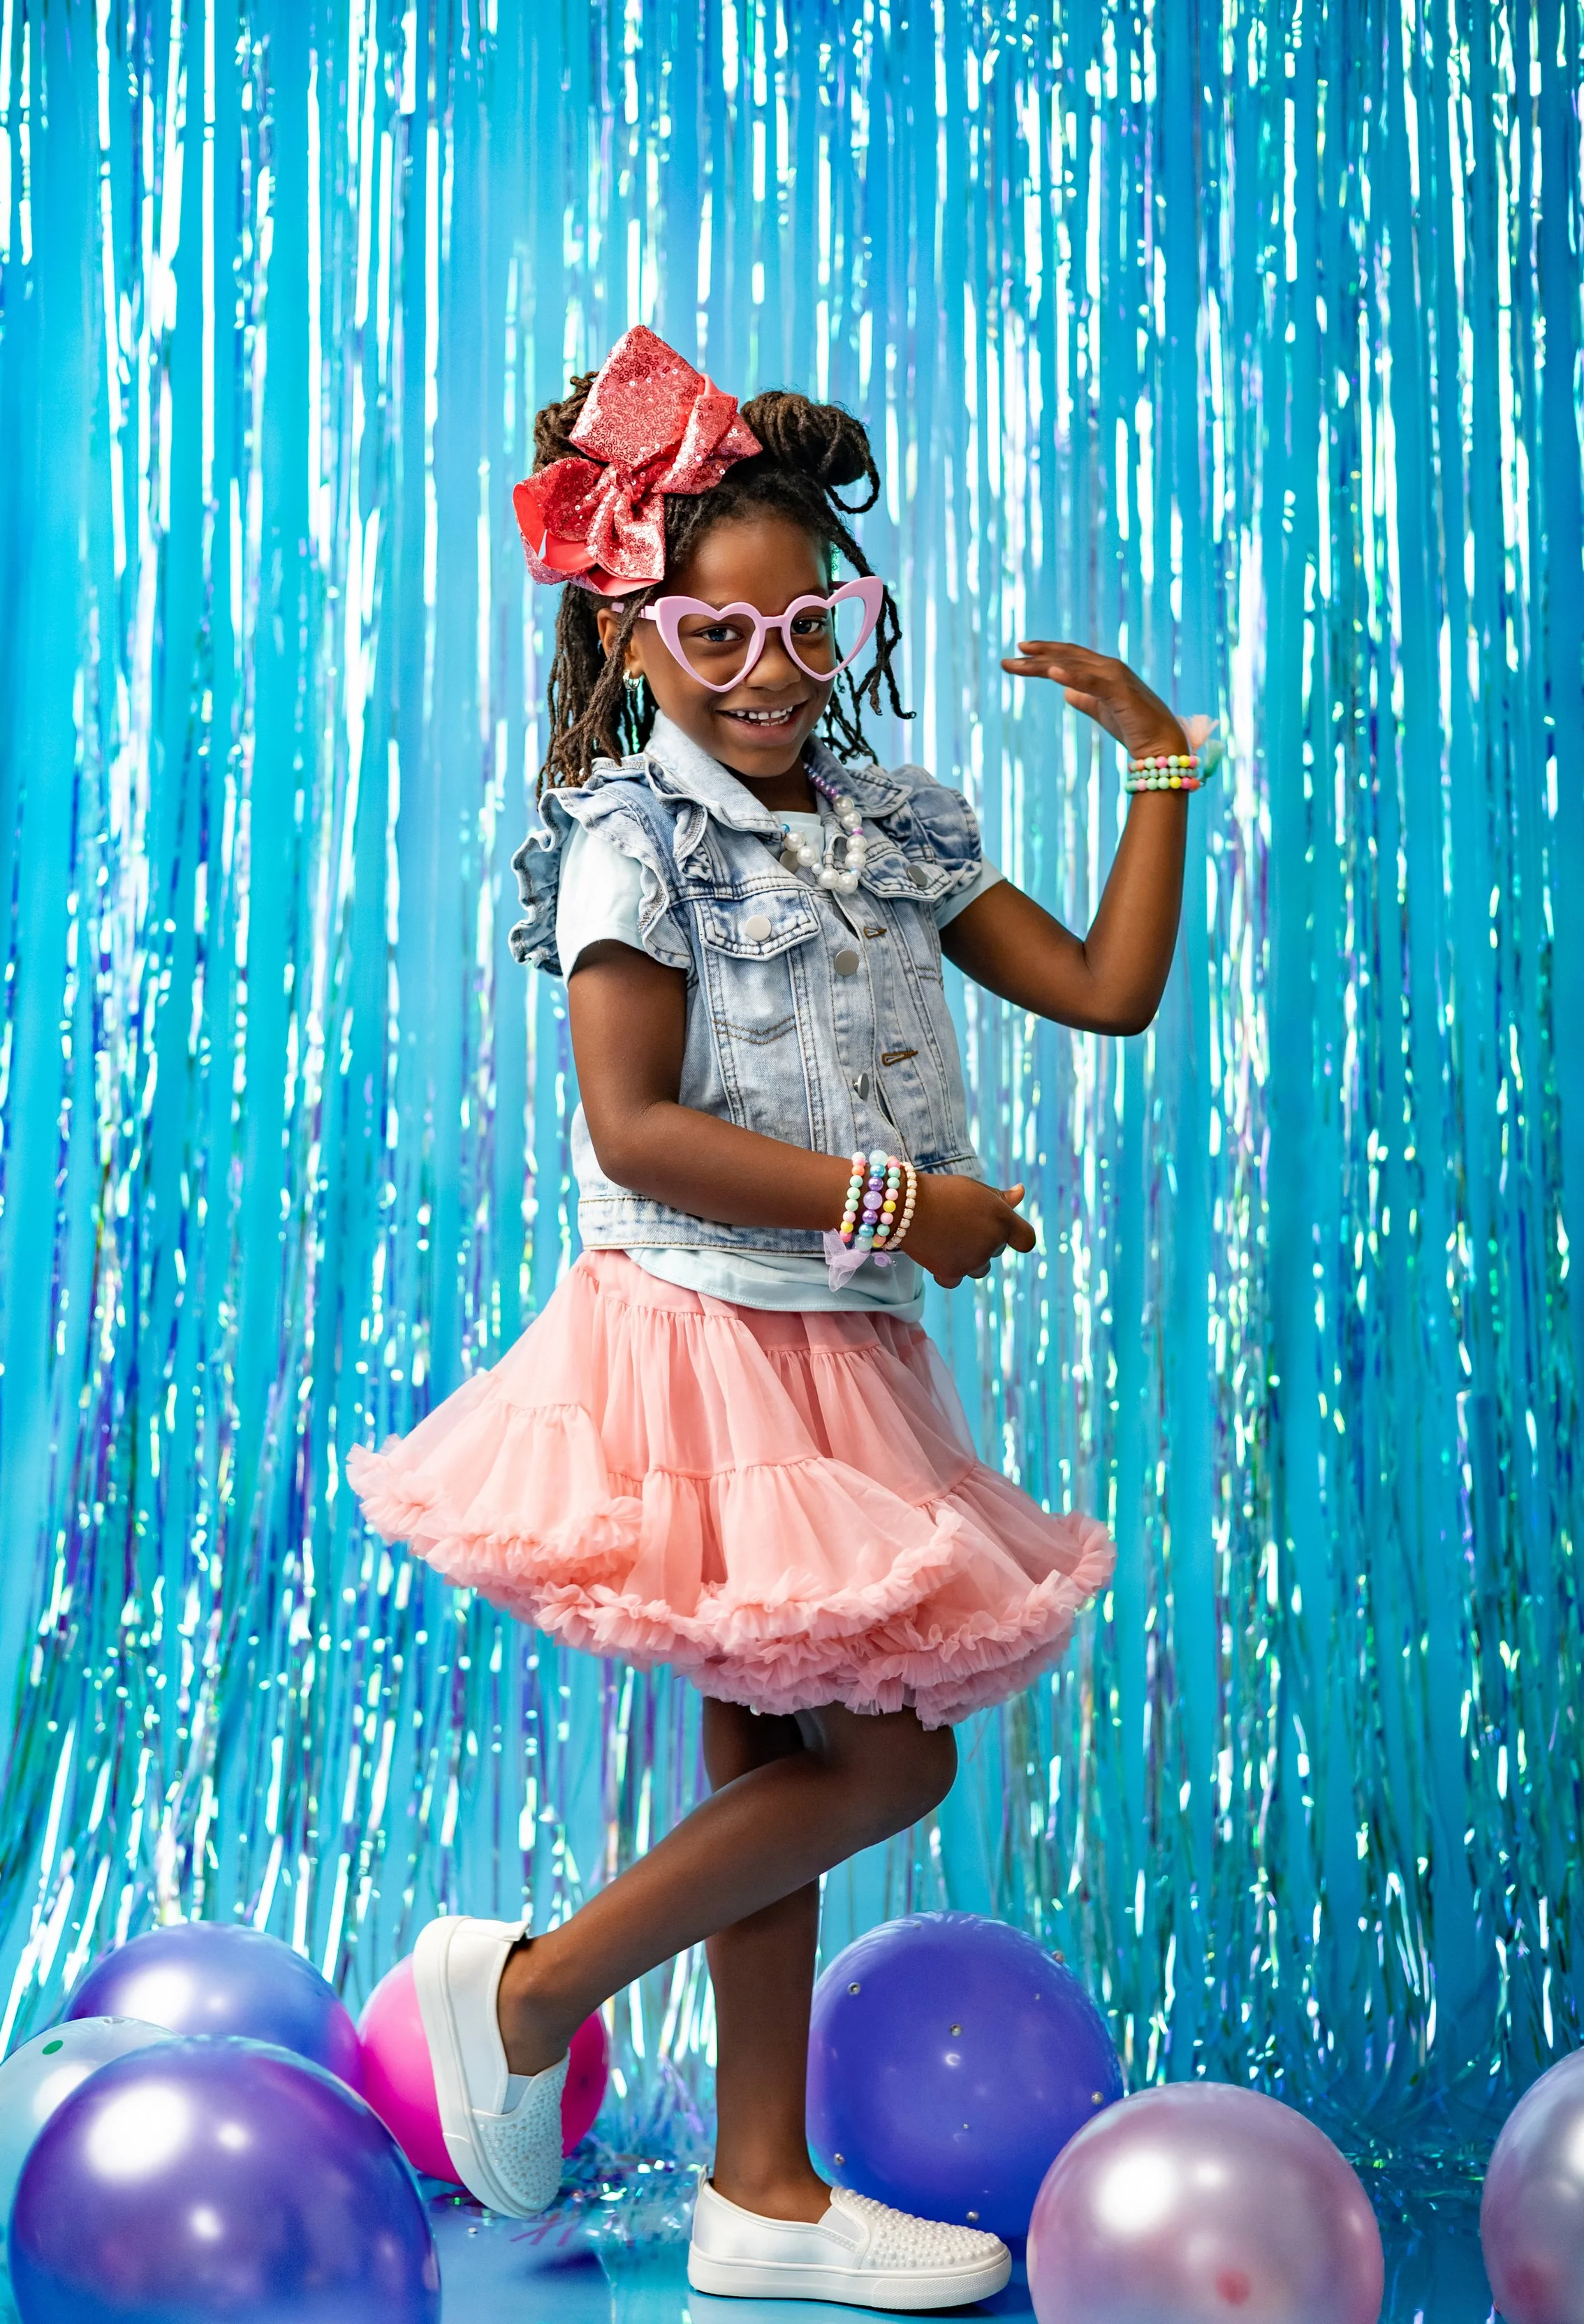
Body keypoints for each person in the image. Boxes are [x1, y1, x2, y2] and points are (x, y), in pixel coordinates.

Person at [349, 323, 1208, 2311]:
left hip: (842, 1342)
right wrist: (913, 1202)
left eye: (810, 630)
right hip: (699, 1339)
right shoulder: (624, 840)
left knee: (773, 1772)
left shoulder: (891, 825)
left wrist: (1156, 763)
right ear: (630, 636)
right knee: (882, 1759)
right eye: (712, 638)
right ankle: (531, 1994)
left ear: (857, 626)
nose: (765, 677)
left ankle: (759, 2191)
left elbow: (1101, 989)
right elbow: (635, 1134)